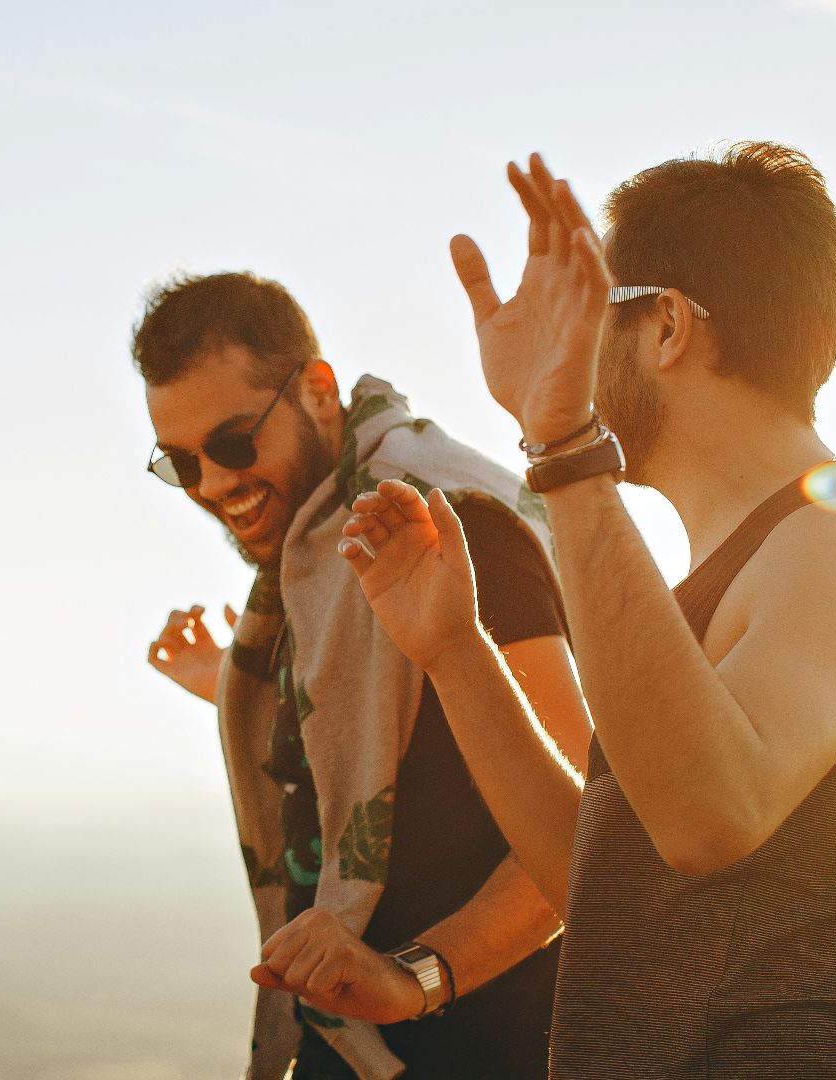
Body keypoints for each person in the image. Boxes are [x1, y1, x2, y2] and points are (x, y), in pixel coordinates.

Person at [274, 145, 836, 1078]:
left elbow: (707, 818)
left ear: (669, 325)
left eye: (586, 317)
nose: (569, 351)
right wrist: (453, 651)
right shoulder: (733, 571)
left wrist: (561, 445)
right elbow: (607, 885)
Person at [136, 272, 591, 1080]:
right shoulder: (315, 560)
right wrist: (232, 683)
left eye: (235, 443)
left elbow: (584, 828)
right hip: (351, 1044)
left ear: (316, 391)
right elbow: (385, 721)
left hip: (478, 1044)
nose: (211, 484)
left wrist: (417, 977)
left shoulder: (449, 526)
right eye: (180, 462)